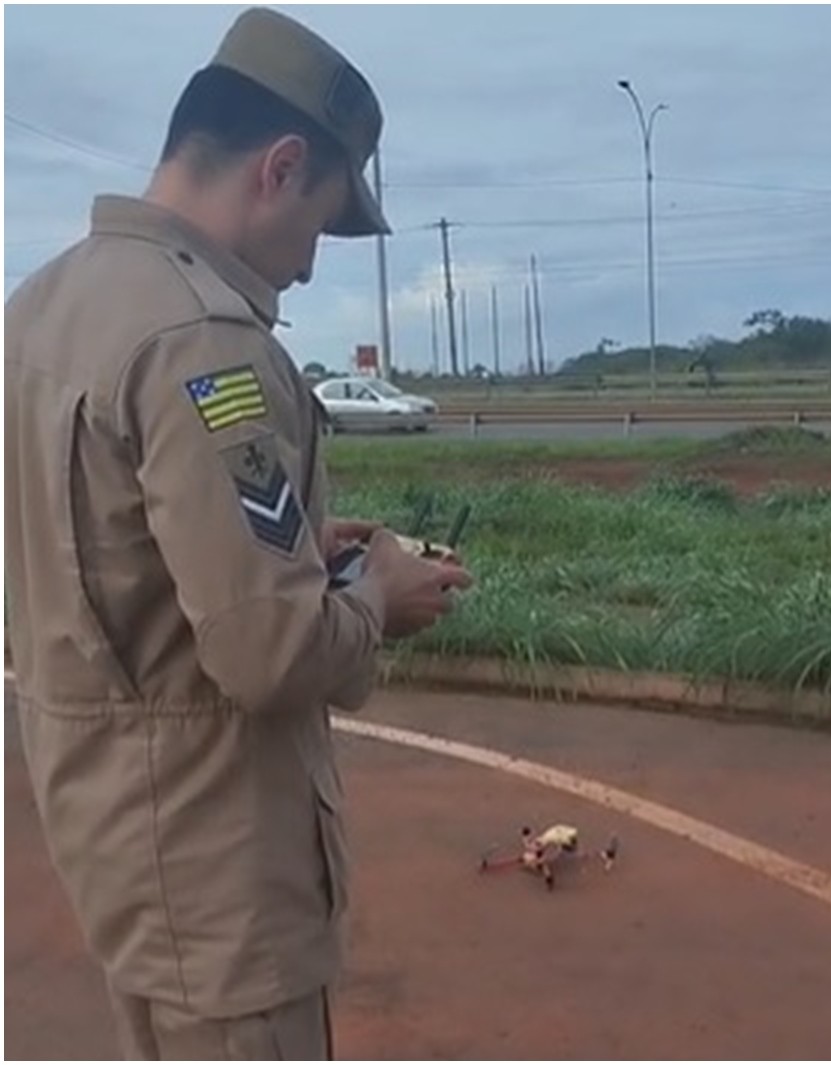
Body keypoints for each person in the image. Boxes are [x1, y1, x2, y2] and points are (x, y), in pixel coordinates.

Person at [3, 8, 472, 1059]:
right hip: (221, 876)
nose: (308, 264)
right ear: (281, 166)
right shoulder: (202, 341)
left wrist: (295, 550)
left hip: (119, 849)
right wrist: (376, 598)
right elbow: (272, 653)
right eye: (319, 220)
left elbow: (117, 565)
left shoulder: (39, 309)